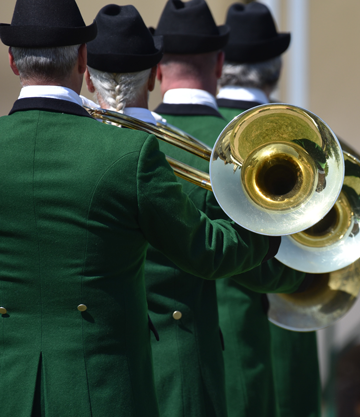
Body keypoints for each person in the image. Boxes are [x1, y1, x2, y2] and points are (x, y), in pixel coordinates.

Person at [0, 0, 280, 416]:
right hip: (103, 389)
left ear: (11, 62)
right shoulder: (126, 153)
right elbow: (208, 251)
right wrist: (266, 216)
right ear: (82, 58)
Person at [86, 3, 308, 417]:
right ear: (218, 62)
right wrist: (288, 246)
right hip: (203, 353)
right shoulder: (217, 151)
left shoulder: (99, 147)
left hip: (101, 367)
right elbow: (239, 261)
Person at [217, 3, 360, 417]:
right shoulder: (311, 138)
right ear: (276, 68)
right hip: (287, 338)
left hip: (207, 341)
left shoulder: (176, 134)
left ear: (219, 64)